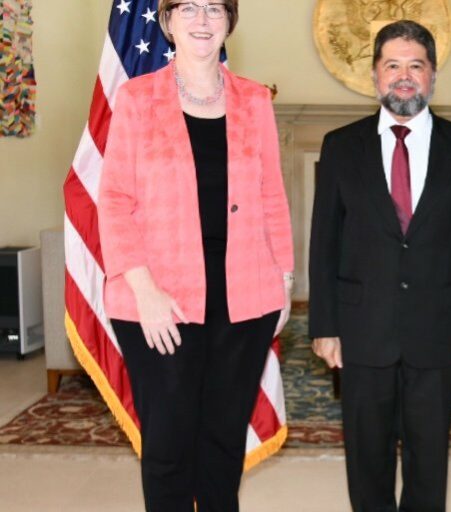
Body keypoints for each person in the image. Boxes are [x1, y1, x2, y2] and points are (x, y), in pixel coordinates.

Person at [97, 1, 293, 510]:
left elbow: (272, 194)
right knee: (168, 446)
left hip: (246, 297)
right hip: (158, 300)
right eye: (188, 8)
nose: (202, 20)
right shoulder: (136, 98)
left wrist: (285, 280)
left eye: (214, 9)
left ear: (229, 21)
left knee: (223, 445)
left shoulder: (255, 100)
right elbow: (114, 199)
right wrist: (145, 292)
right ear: (167, 22)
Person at [309, 20, 451, 512]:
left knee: (428, 460)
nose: (404, 76)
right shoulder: (340, 146)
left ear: (433, 75)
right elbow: (323, 243)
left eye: (416, 65)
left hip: (439, 328)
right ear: (375, 75)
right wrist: (324, 325)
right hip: (361, 327)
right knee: (366, 458)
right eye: (393, 65)